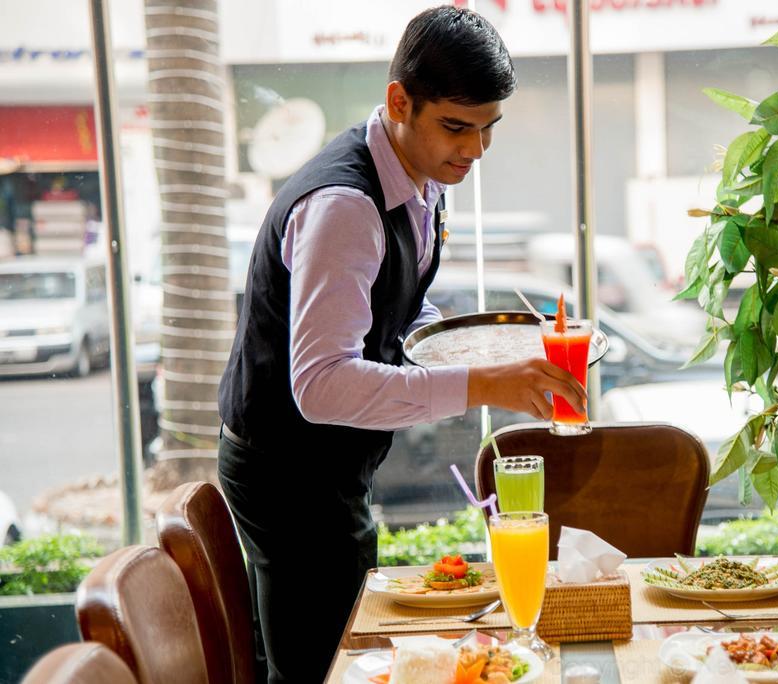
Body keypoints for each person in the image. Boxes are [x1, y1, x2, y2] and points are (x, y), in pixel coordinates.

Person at [217, 6, 586, 683]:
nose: (474, 151)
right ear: (399, 102)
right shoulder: (346, 206)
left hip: (324, 468)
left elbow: (390, 308)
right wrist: (485, 384)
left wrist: (468, 345)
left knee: (348, 649)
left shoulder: (418, 175)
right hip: (289, 476)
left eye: (487, 130)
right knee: (325, 669)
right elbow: (322, 384)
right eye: (455, 127)